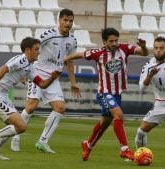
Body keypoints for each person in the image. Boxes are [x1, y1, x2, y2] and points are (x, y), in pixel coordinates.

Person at [64, 27, 149, 161]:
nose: (114, 43)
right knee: (118, 115)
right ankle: (124, 149)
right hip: (104, 92)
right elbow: (81, 54)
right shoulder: (98, 53)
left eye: (116, 40)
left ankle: (88, 145)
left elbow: (143, 53)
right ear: (104, 42)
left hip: (117, 94)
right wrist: (66, 58)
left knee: (105, 123)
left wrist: (144, 47)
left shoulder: (124, 48)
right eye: (111, 41)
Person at [0, 37, 61, 160]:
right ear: (27, 50)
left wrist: (52, 78)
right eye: (36, 49)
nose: (39, 52)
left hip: (2, 95)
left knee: (14, 128)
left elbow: (42, 84)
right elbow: (4, 69)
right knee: (21, 126)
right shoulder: (21, 59)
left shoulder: (30, 66)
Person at [10, 8, 81, 153]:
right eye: (65, 20)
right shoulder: (48, 35)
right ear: (59, 20)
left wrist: (73, 83)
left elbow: (70, 62)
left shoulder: (72, 40)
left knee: (60, 108)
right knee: (31, 107)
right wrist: (24, 71)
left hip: (54, 77)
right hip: (38, 73)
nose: (68, 24)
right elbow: (30, 49)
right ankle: (16, 137)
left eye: (71, 21)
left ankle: (43, 141)